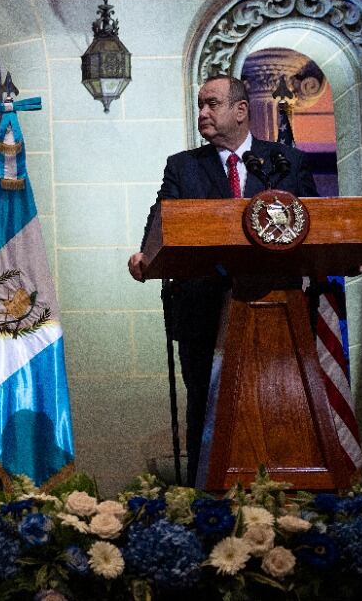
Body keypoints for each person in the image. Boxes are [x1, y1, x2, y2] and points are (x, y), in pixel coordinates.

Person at [127, 75, 317, 485]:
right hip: (203, 311)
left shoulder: (285, 162)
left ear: (241, 110)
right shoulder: (183, 166)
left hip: (276, 310)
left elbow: (315, 222)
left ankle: (286, 497)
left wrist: (333, 258)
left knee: (278, 408)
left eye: (212, 104)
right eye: (200, 105)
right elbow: (163, 218)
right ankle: (205, 501)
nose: (203, 113)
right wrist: (146, 253)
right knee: (208, 409)